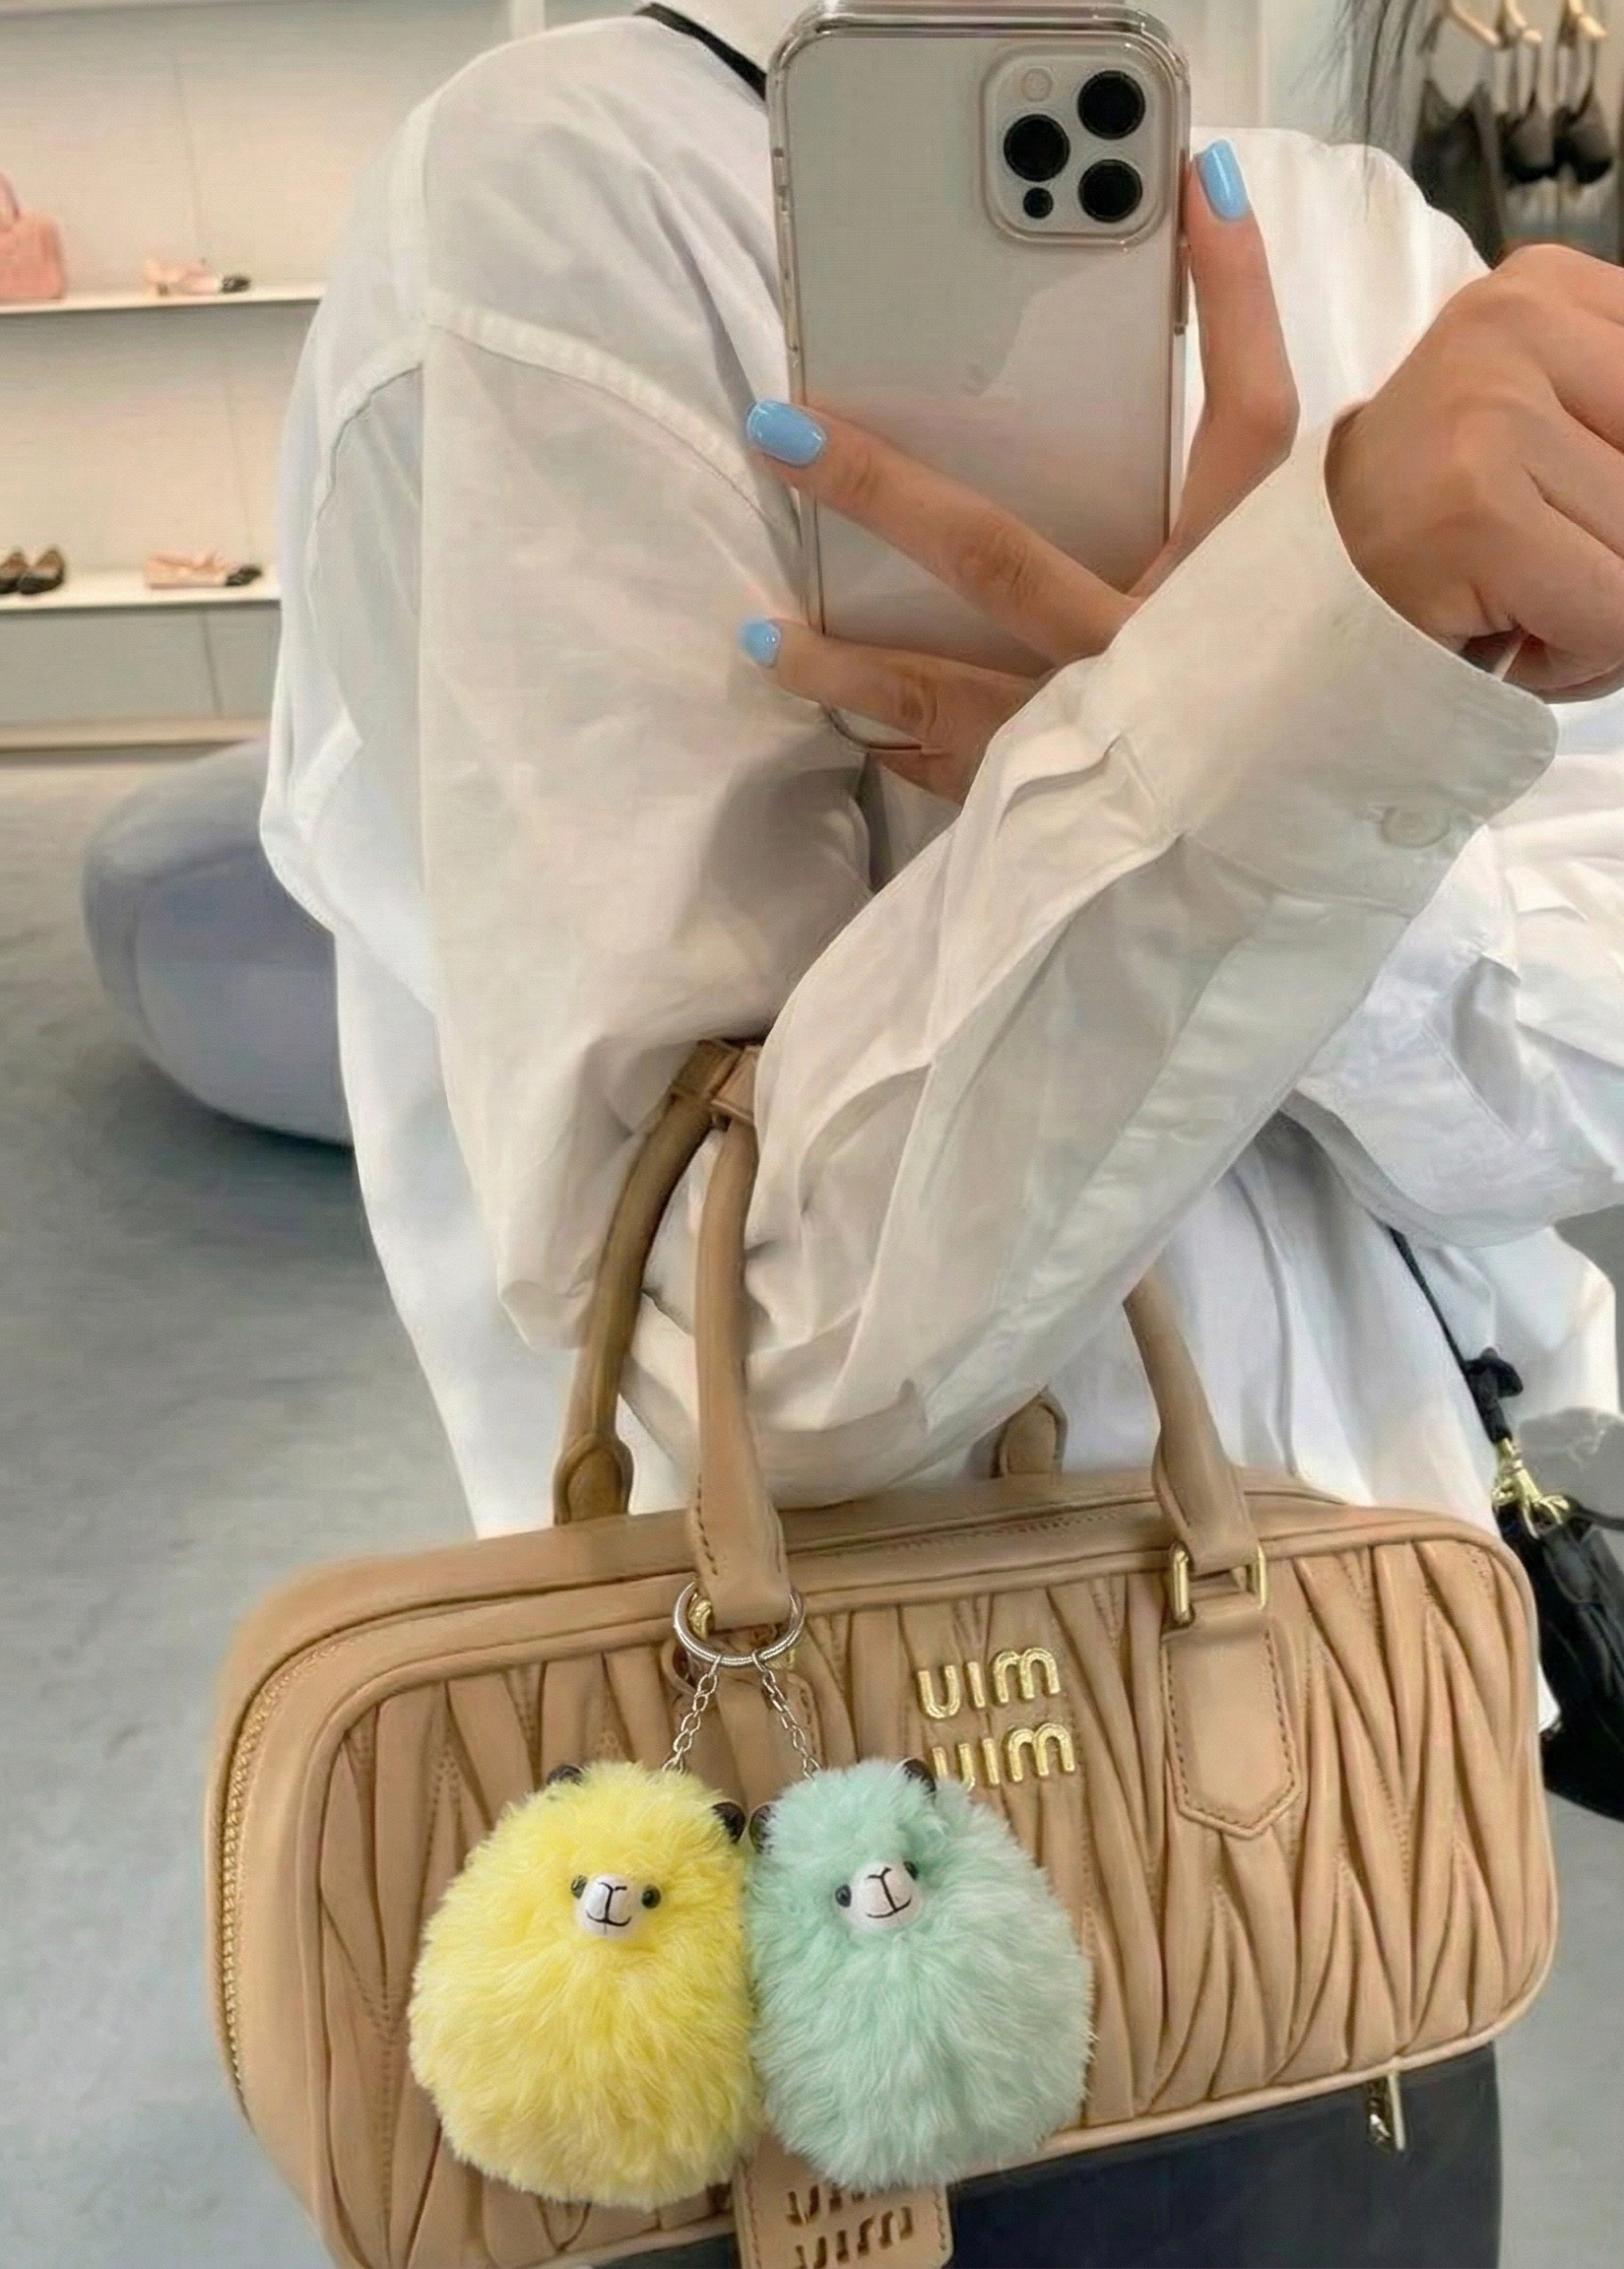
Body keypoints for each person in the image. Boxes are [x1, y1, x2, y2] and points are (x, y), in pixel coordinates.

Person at [264, 5, 1624, 2261]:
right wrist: (1268, 720)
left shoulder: (1362, 230)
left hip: (1368, 1815)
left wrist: (1252, 723)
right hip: (822, 1892)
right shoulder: (565, 201)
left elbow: (1555, 1100)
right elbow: (743, 1357)